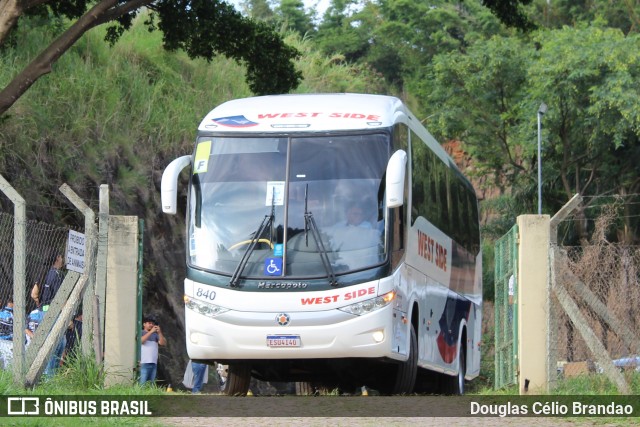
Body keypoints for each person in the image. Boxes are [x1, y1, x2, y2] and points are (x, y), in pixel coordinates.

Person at [139, 316, 166, 385]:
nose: (151, 325)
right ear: (144, 324)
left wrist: (159, 332)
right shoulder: (141, 332)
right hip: (143, 362)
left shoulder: (156, 335)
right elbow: (141, 341)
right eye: (149, 323)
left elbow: (163, 343)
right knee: (142, 383)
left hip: (153, 363)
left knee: (151, 384)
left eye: (152, 324)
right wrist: (151, 332)